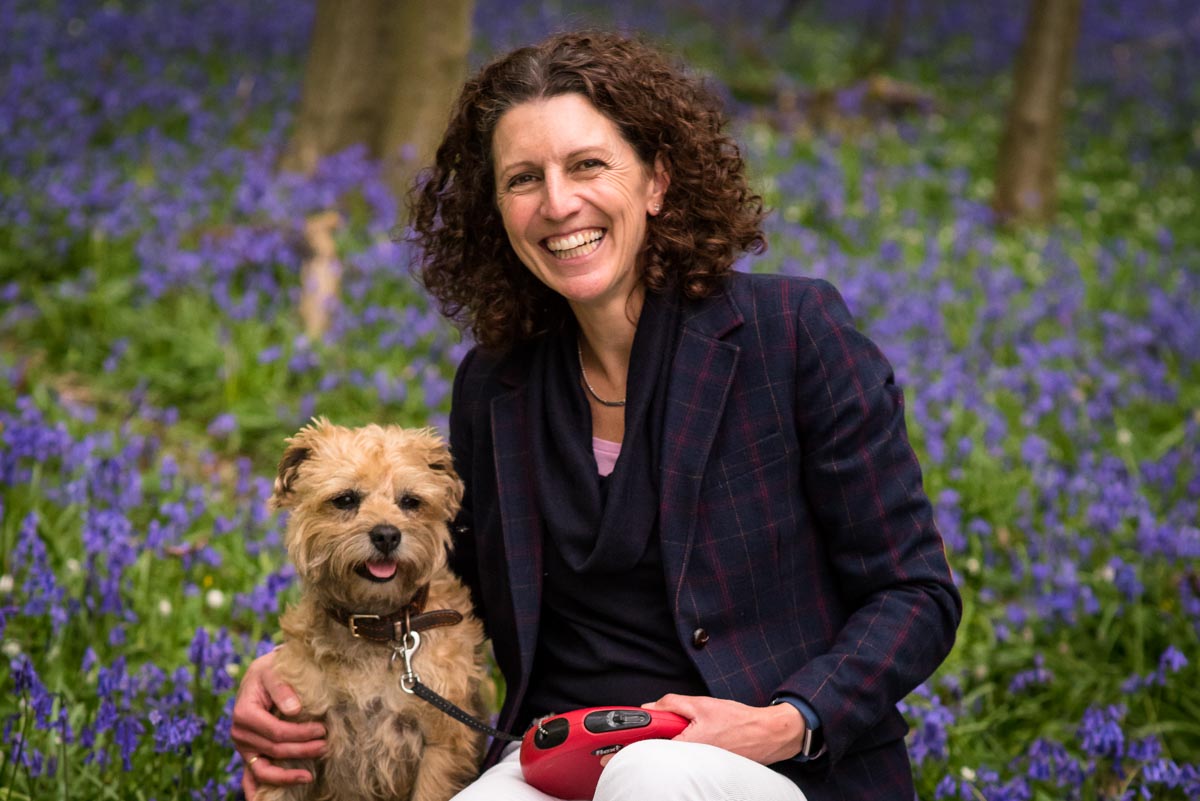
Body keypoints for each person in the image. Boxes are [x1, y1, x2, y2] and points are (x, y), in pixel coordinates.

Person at [232, 30, 961, 801]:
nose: (557, 203)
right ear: (499, 213)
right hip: (562, 755)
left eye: (588, 165)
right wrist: (291, 668)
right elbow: (436, 579)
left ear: (656, 180)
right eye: (522, 179)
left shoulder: (791, 333)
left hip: (775, 766)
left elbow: (915, 591)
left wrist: (787, 717)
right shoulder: (496, 384)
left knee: (651, 777)